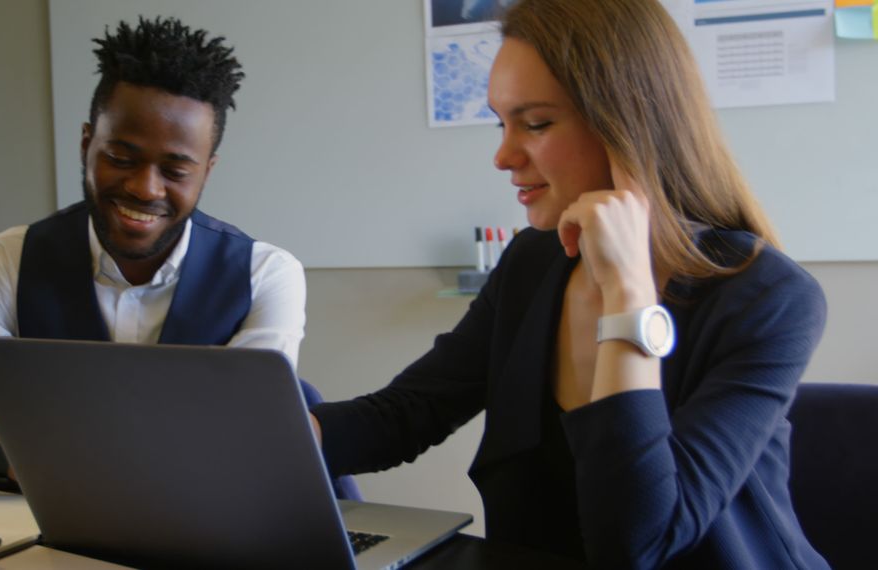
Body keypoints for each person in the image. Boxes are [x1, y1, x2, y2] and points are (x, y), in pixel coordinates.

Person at [310, 0, 829, 568]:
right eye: (500, 123)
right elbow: (410, 412)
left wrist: (627, 296)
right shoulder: (534, 260)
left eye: (535, 124)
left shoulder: (769, 298)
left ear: (628, 124)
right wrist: (276, 434)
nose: (503, 155)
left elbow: (639, 544)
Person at [0, 16, 306, 502]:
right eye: (121, 157)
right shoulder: (8, 258)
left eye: (176, 169)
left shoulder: (265, 275)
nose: (145, 187)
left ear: (207, 171)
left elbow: (247, 451)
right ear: (85, 144)